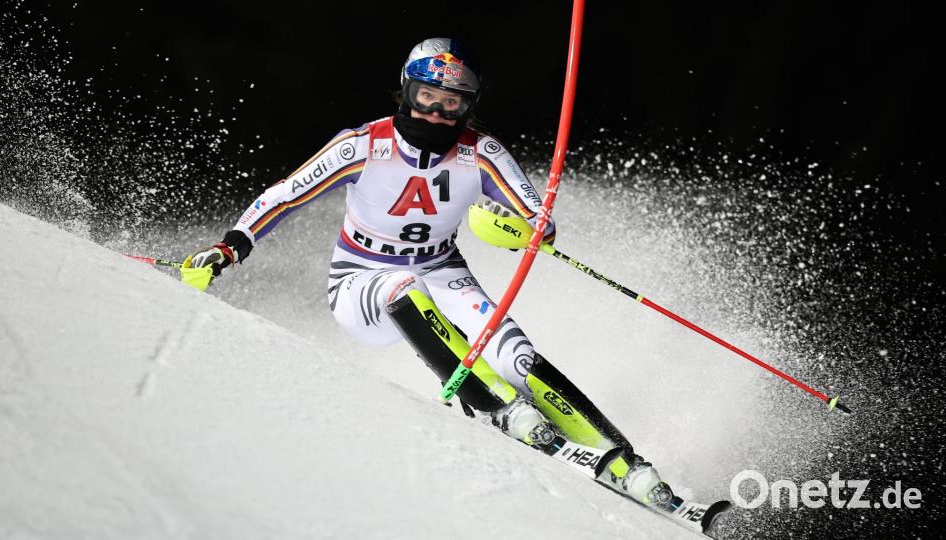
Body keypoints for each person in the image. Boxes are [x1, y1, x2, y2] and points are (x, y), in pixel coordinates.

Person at [185, 38, 675, 510]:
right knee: (404, 286)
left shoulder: (480, 152)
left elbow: (536, 217)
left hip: (442, 268)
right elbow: (287, 194)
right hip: (361, 279)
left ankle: (623, 461)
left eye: (452, 105)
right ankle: (493, 404)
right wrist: (229, 248)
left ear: (469, 106)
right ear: (406, 90)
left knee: (517, 354)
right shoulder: (364, 145)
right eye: (426, 98)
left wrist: (533, 228)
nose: (436, 114)